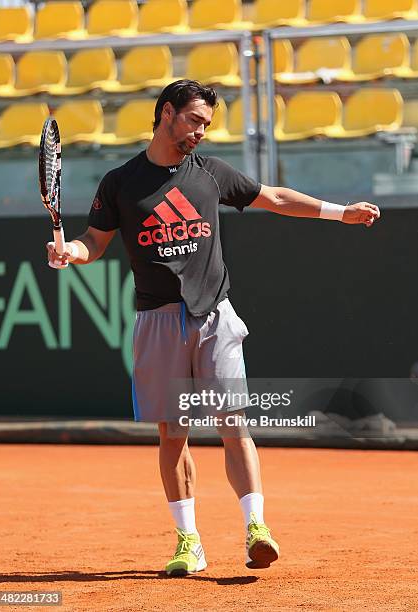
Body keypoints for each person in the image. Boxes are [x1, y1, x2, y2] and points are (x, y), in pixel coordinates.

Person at [46, 79, 381, 577]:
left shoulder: (211, 174)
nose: (201, 131)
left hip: (215, 317)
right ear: (165, 114)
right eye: (194, 120)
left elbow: (275, 198)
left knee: (234, 425)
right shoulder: (119, 183)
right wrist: (70, 252)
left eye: (207, 123)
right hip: (157, 320)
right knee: (172, 435)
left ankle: (257, 529)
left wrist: (339, 213)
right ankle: (189, 541)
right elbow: (95, 241)